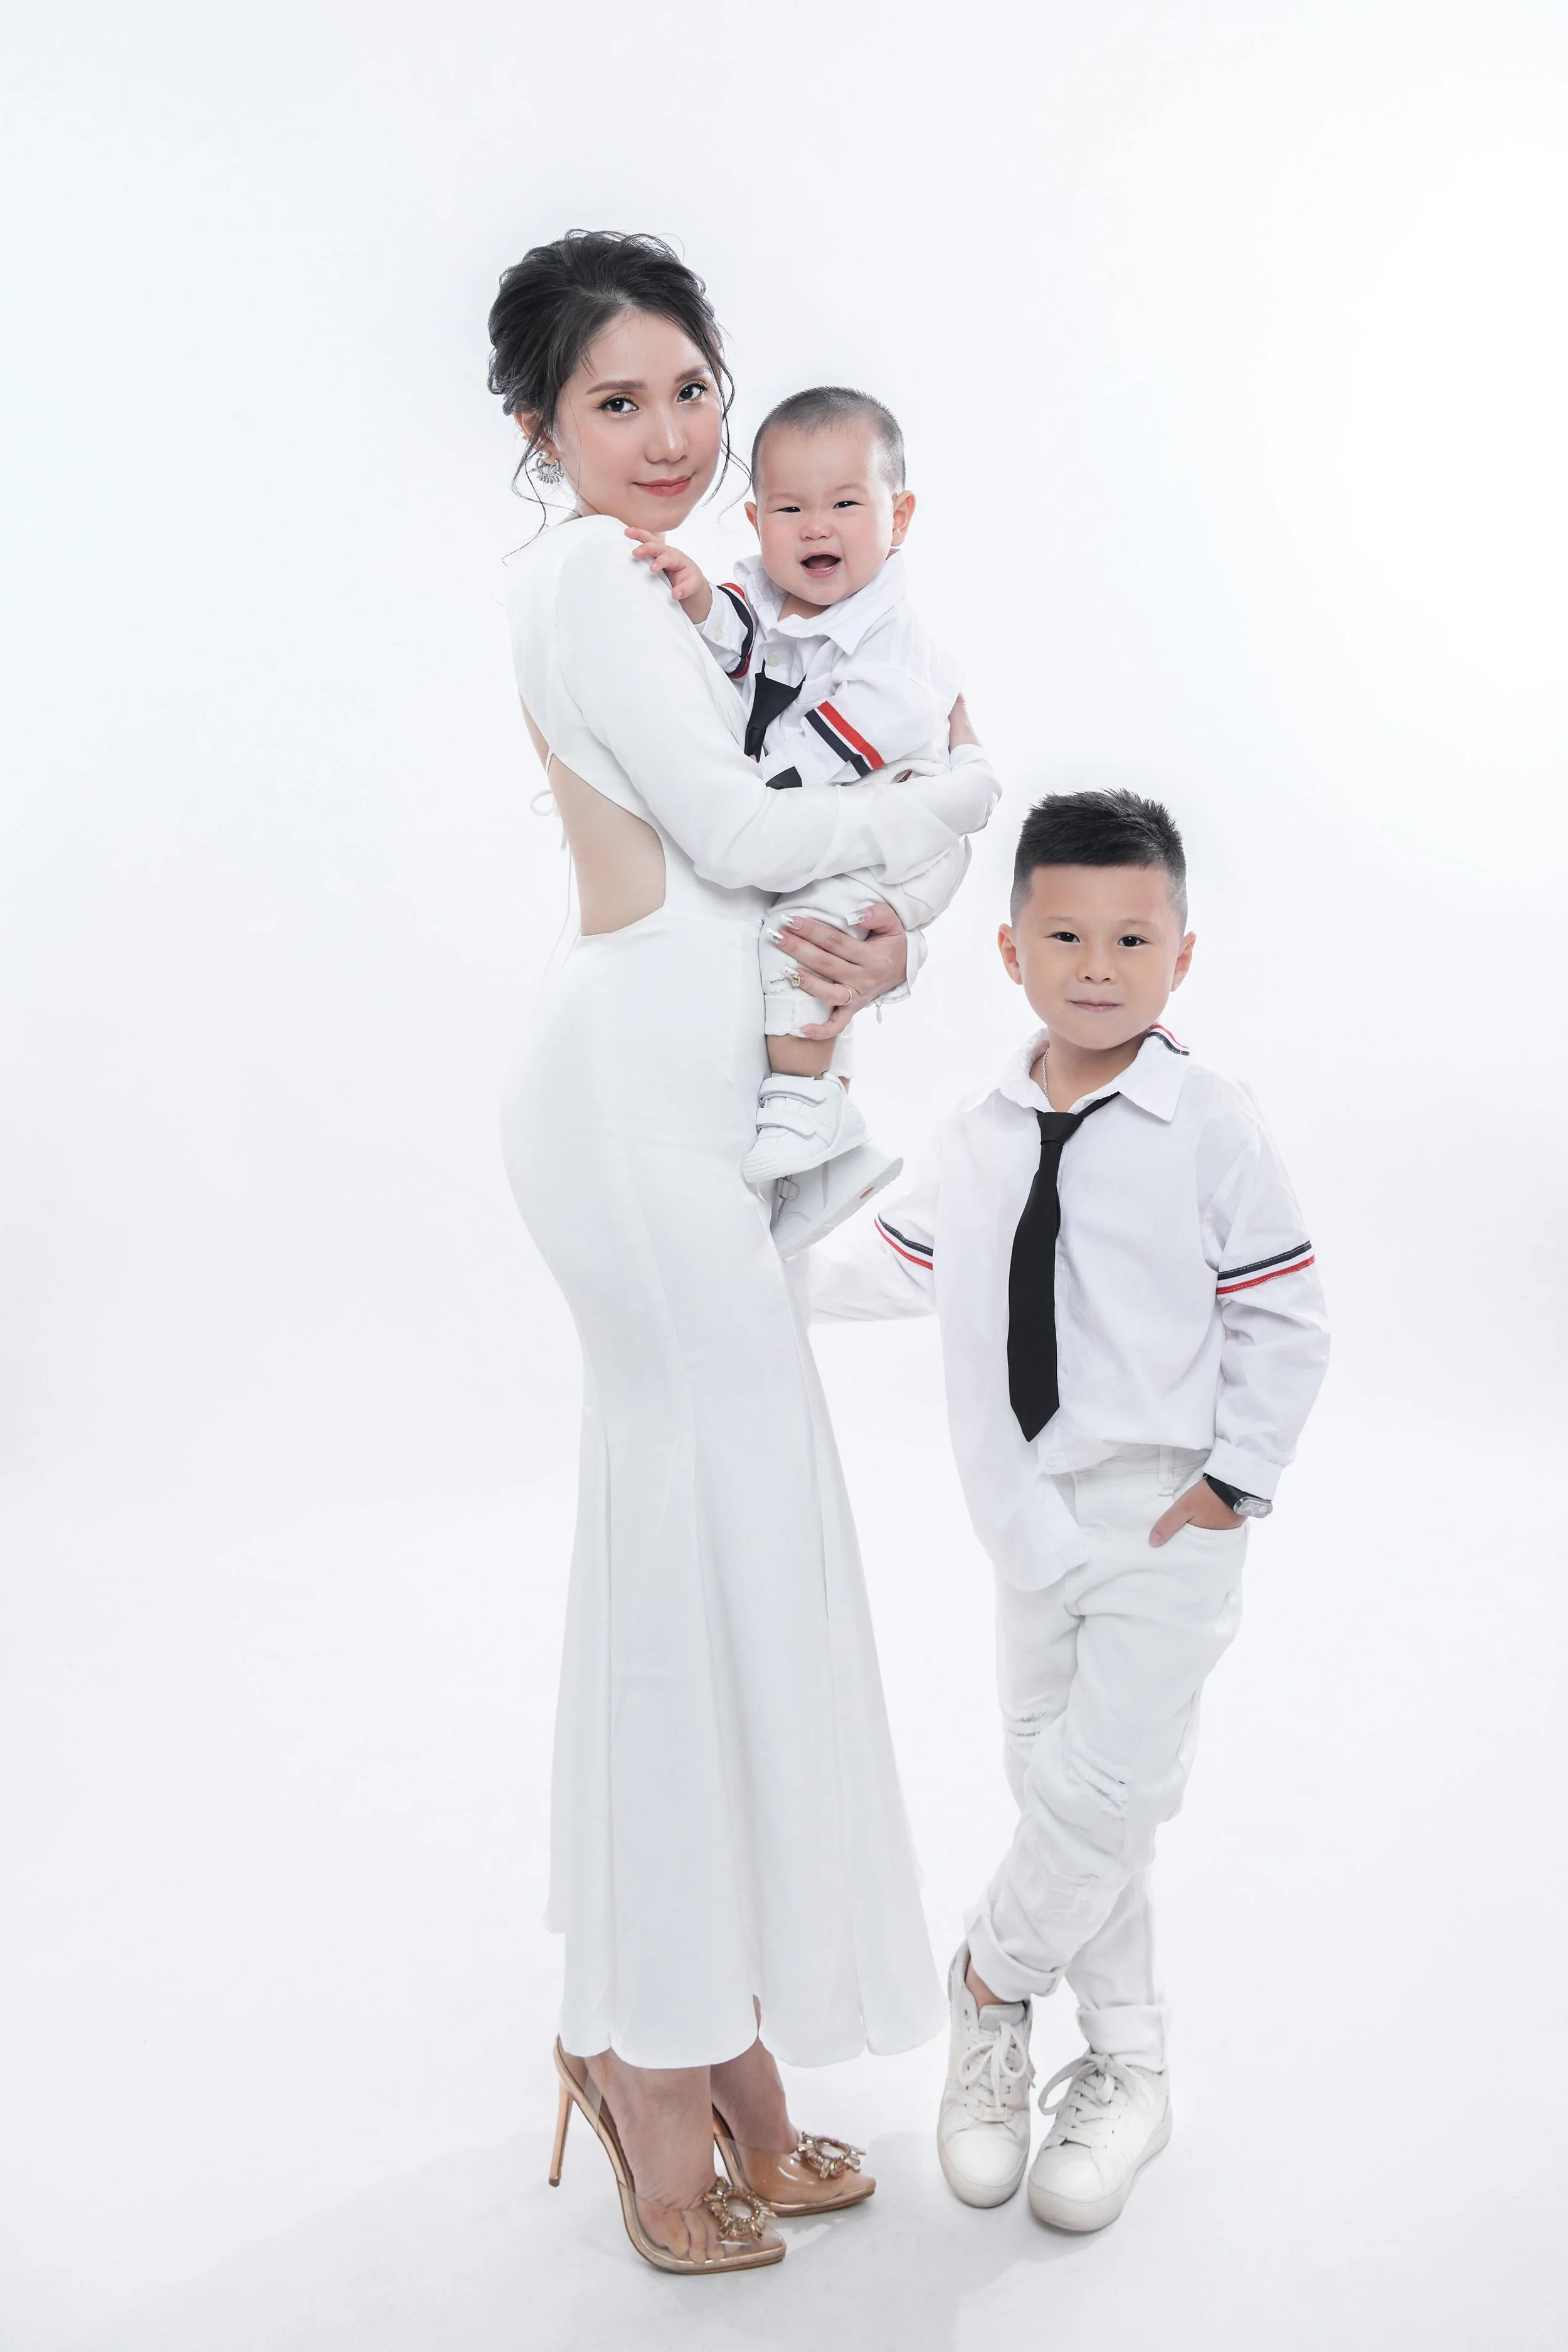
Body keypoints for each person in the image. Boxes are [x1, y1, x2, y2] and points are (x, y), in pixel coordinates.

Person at [485, 230, 1000, 2274]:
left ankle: (697, 2050)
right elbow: (738, 839)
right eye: (618, 403)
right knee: (707, 1551)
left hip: (702, 1081)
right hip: (629, 1108)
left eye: (693, 389)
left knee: (724, 1552)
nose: (675, 435)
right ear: (542, 430)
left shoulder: (697, 591)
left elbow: (797, 865)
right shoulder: (593, 581)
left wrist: (882, 945)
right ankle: (653, 2068)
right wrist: (959, 797)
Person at [810, 789, 1328, 2233]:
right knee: (1058, 1790)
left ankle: (987, 1991)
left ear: (1178, 957)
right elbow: (903, 1266)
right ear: (1008, 948)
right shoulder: (977, 1133)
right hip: (1020, 1518)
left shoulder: (1209, 1126)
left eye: (1128, 938)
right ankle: (1128, 2065)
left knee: (1107, 1793)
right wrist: (750, 1282)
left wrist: (1229, 1488)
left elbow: (1287, 1320)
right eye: (1063, 934)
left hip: (1164, 1512)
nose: (1094, 964)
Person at [628, 385, 969, 1226]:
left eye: (847, 504)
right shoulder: (766, 595)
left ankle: (817, 1118)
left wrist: (755, 793)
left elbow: (834, 747)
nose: (818, 526)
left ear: (902, 515)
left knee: (801, 942)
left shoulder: (895, 641)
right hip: (843, 829)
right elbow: (738, 639)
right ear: (755, 524)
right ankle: (826, 1146)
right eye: (791, 507)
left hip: (905, 830)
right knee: (806, 962)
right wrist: (698, 598)